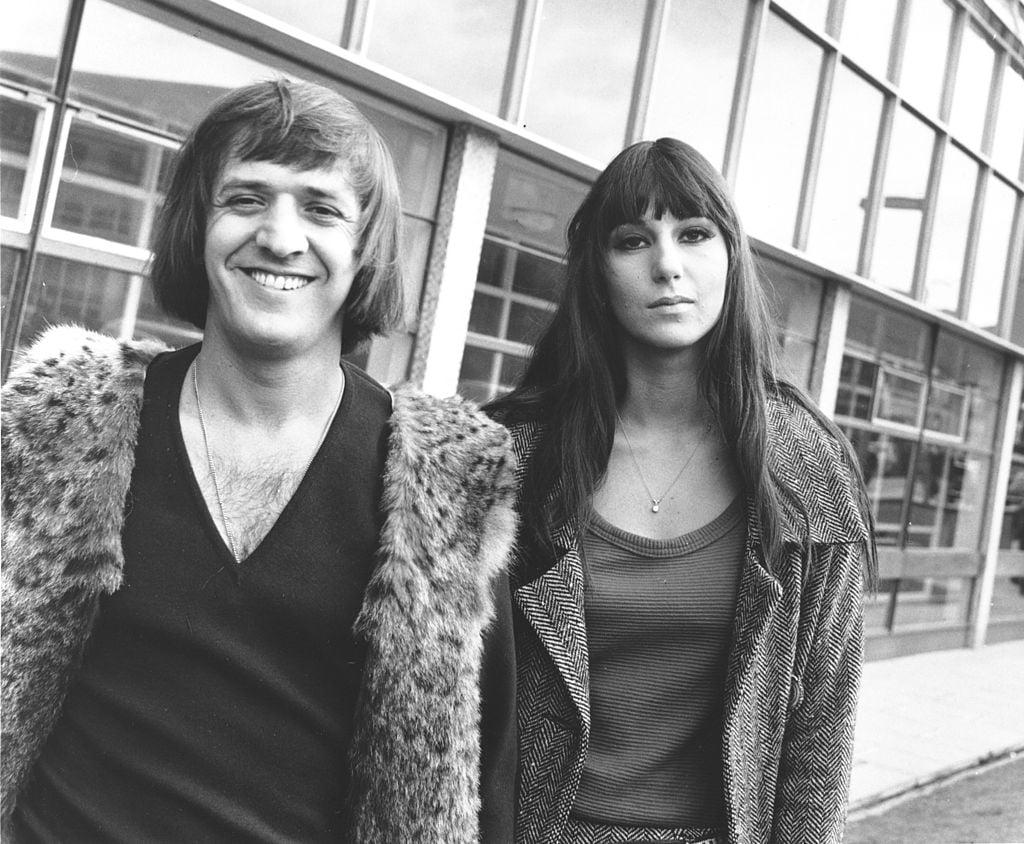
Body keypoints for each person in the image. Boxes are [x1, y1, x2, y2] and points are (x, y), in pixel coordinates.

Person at [1, 79, 517, 843]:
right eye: (246, 198)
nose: (279, 237)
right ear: (197, 225)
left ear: (365, 249)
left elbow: (483, 772)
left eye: (321, 208)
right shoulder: (61, 425)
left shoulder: (442, 487)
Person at [488, 138, 877, 844]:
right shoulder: (512, 456)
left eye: (694, 234)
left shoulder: (807, 469)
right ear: (597, 269)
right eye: (634, 241)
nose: (667, 265)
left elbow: (821, 727)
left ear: (731, 257)